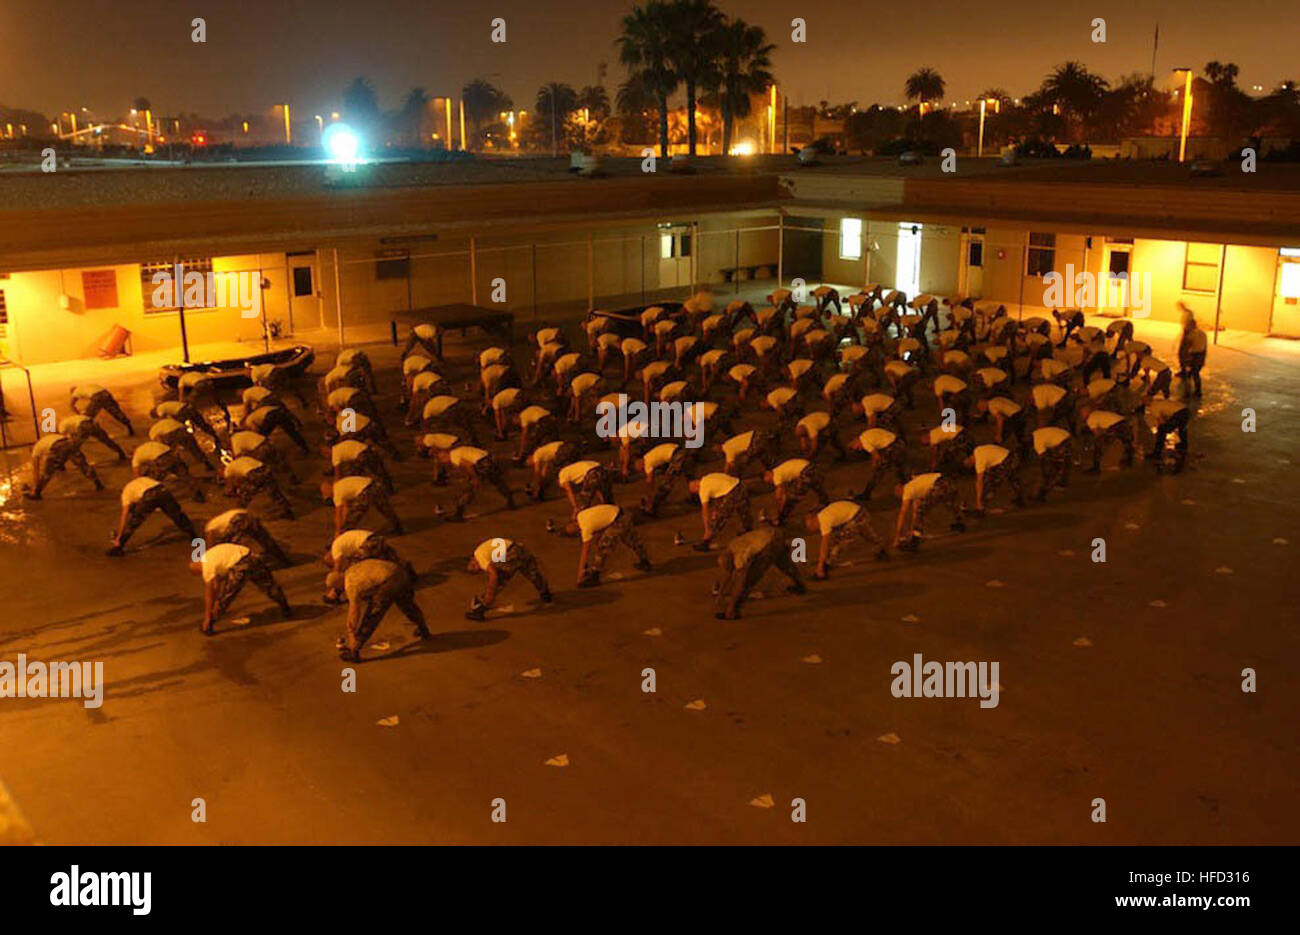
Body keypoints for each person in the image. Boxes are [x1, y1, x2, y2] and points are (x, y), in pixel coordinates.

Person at [338, 560, 431, 662]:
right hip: (399, 572)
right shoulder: (352, 569)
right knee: (408, 605)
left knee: (373, 614)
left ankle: (354, 649)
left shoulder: (351, 584)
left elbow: (354, 611)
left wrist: (351, 633)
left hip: (388, 582)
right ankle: (423, 628)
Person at [190, 542, 290, 635]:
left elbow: (211, 591)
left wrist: (208, 614)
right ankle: (284, 606)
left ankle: (208, 625)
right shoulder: (210, 554)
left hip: (240, 566)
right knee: (269, 584)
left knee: (225, 598)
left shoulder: (206, 566)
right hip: (251, 557)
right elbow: (217, 582)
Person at [713, 528, 806, 619]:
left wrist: (729, 600)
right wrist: (720, 594)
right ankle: (800, 585)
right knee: (784, 564)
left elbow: (741, 580)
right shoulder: (731, 547)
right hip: (773, 534)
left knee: (749, 580)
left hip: (768, 544)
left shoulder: (739, 555)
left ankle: (732, 610)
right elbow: (727, 573)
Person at [464, 538, 554, 620]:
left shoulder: (479, 557)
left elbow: (494, 575)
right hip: (519, 548)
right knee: (532, 573)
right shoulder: (481, 551)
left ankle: (481, 608)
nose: (478, 567)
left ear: (472, 559)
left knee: (498, 580)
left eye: (474, 566)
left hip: (511, 553)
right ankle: (545, 593)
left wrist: (490, 594)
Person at [107, 476, 198, 556]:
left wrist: (119, 534)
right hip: (162, 489)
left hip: (149, 495)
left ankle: (119, 546)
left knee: (133, 522)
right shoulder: (140, 480)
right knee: (177, 514)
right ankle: (193, 535)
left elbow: (124, 516)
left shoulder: (125, 495)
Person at [803, 500, 888, 579]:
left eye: (811, 527)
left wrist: (820, 565)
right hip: (858, 513)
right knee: (865, 534)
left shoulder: (824, 520)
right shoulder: (822, 515)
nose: (811, 530)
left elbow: (824, 545)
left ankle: (823, 569)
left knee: (840, 541)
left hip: (857, 516)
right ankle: (881, 548)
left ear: (813, 521)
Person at [572, 503, 651, 587]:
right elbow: (599, 522)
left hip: (617, 519)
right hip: (620, 513)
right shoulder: (581, 516)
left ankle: (595, 574)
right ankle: (644, 560)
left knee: (604, 546)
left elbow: (585, 551)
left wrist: (580, 574)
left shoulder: (585, 529)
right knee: (630, 539)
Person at [323, 528, 411, 603]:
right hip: (374, 539)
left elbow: (337, 570)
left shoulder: (336, 549)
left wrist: (334, 584)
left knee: (376, 568)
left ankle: (335, 595)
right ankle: (409, 573)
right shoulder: (344, 544)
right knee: (391, 560)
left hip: (368, 545)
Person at [437, 445, 517, 519]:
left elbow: (468, 465)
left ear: (444, 457)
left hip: (481, 463)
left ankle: (459, 514)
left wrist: (475, 478)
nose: (444, 463)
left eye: (442, 460)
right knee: (497, 481)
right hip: (489, 458)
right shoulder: (458, 450)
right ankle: (510, 501)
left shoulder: (453, 456)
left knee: (470, 488)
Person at [891, 473, 966, 552]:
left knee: (921, 510)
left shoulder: (907, 490)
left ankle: (915, 541)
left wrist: (897, 536)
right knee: (948, 502)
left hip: (939, 485)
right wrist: (911, 530)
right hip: (947, 481)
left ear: (899, 491)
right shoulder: (914, 487)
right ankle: (960, 521)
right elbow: (915, 513)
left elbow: (903, 513)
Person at [24, 433, 103, 500]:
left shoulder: (36, 449)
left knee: (47, 471)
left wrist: (35, 484)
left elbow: (36, 468)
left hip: (58, 446)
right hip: (69, 442)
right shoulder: (46, 438)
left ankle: (37, 493)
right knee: (82, 464)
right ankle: (97, 482)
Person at [688, 472, 753, 550]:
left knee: (719, 517)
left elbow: (705, 510)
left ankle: (706, 540)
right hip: (739, 485)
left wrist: (707, 528)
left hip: (732, 492)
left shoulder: (703, 489)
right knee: (742, 509)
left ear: (696, 488)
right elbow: (720, 490)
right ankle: (748, 529)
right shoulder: (708, 477)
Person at [205, 508, 290, 566]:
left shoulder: (210, 527)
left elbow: (210, 542)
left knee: (232, 546)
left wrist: (209, 557)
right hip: (247, 515)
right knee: (265, 539)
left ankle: (244, 564)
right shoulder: (219, 522)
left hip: (237, 519)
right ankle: (284, 560)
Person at [131, 440, 206, 502]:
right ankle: (197, 494)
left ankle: (155, 500)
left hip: (162, 459)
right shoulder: (148, 445)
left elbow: (137, 476)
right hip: (173, 455)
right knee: (185, 476)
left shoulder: (136, 457)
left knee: (154, 480)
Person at [222, 455, 293, 518]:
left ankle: (239, 513)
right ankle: (286, 510)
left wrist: (232, 491)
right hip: (265, 469)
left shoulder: (228, 470)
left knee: (246, 494)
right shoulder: (243, 458)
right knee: (272, 490)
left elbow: (232, 484)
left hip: (253, 473)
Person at [848, 427, 908, 501]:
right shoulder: (865, 434)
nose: (860, 449)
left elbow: (876, 456)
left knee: (878, 473)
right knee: (899, 467)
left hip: (892, 448)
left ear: (855, 441)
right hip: (897, 442)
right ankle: (906, 485)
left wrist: (875, 463)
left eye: (857, 448)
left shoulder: (864, 442)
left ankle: (867, 494)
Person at [764, 458, 829, 525]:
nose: (771, 483)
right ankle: (824, 501)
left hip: (806, 471)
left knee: (794, 496)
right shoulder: (779, 470)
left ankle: (780, 519)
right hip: (810, 466)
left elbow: (779, 494)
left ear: (769, 473)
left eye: (769, 481)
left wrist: (779, 509)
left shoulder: (776, 475)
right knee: (814, 485)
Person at [332, 475, 403, 536]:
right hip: (375, 485)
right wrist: (343, 522)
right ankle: (397, 527)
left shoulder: (336, 494)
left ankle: (343, 536)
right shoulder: (339, 485)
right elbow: (345, 510)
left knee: (355, 514)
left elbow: (338, 514)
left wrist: (338, 531)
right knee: (384, 508)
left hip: (366, 491)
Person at [967, 444, 1025, 515]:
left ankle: (981, 507)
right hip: (1013, 457)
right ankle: (1020, 498)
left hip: (1007, 461)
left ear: (970, 457)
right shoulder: (978, 450)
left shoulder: (979, 459)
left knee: (991, 482)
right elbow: (990, 463)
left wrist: (978, 500)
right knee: (1013, 478)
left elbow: (979, 481)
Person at [1141, 396, 1190, 474]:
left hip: (1179, 413)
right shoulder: (1158, 402)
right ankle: (1183, 449)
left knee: (1162, 431)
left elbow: (1161, 422)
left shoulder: (1153, 408)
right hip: (1185, 410)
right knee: (1182, 431)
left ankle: (1157, 452)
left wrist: (1161, 428)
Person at [58, 413, 127, 462]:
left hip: (83, 426)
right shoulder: (74, 418)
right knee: (107, 440)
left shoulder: (61, 425)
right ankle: (121, 453)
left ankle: (62, 462)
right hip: (92, 423)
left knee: (73, 447)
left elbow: (65, 438)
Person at [70, 384, 134, 435]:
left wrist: (78, 414)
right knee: (117, 412)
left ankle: (84, 434)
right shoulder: (87, 386)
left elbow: (71, 405)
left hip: (97, 397)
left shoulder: (76, 392)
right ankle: (129, 427)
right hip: (106, 393)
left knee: (87, 417)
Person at [1031, 426, 1073, 501]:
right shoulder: (1036, 434)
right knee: (1061, 463)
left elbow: (1043, 457)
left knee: (1051, 470)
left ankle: (1041, 494)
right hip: (1065, 436)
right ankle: (1061, 482)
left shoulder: (1037, 442)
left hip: (1061, 442)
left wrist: (1044, 471)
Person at [1176, 308, 1208, 397]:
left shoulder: (1191, 334)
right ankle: (1195, 390)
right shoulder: (1203, 333)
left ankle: (1193, 392)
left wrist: (1185, 358)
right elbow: (1205, 347)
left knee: (1192, 374)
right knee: (1194, 373)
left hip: (1194, 355)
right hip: (1201, 355)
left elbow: (1187, 347)